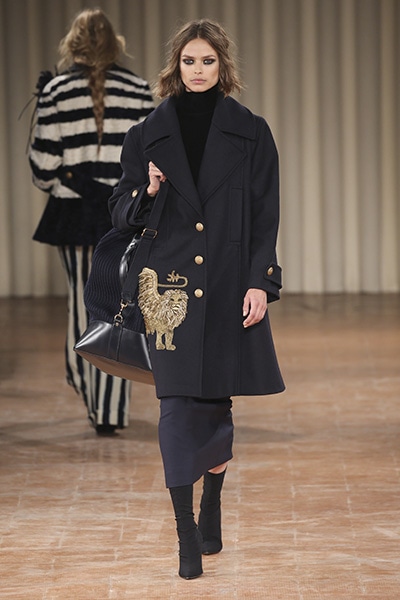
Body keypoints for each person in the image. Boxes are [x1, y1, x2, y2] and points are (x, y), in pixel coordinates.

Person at [109, 19, 285, 579]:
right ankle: (186, 534)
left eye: (208, 60)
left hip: (230, 284)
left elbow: (265, 215)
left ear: (222, 65)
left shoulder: (251, 132)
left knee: (215, 406)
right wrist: (148, 190)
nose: (198, 70)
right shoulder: (146, 133)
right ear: (176, 66)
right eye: (189, 61)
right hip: (168, 289)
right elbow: (119, 212)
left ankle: (211, 504)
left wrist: (260, 281)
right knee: (177, 407)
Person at [29, 9, 154, 435]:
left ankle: (89, 390)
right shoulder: (138, 90)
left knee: (78, 303)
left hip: (75, 214)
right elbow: (152, 157)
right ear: (116, 44)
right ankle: (110, 409)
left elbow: (42, 168)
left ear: (73, 43)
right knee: (121, 302)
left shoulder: (55, 91)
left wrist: (72, 176)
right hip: (126, 210)